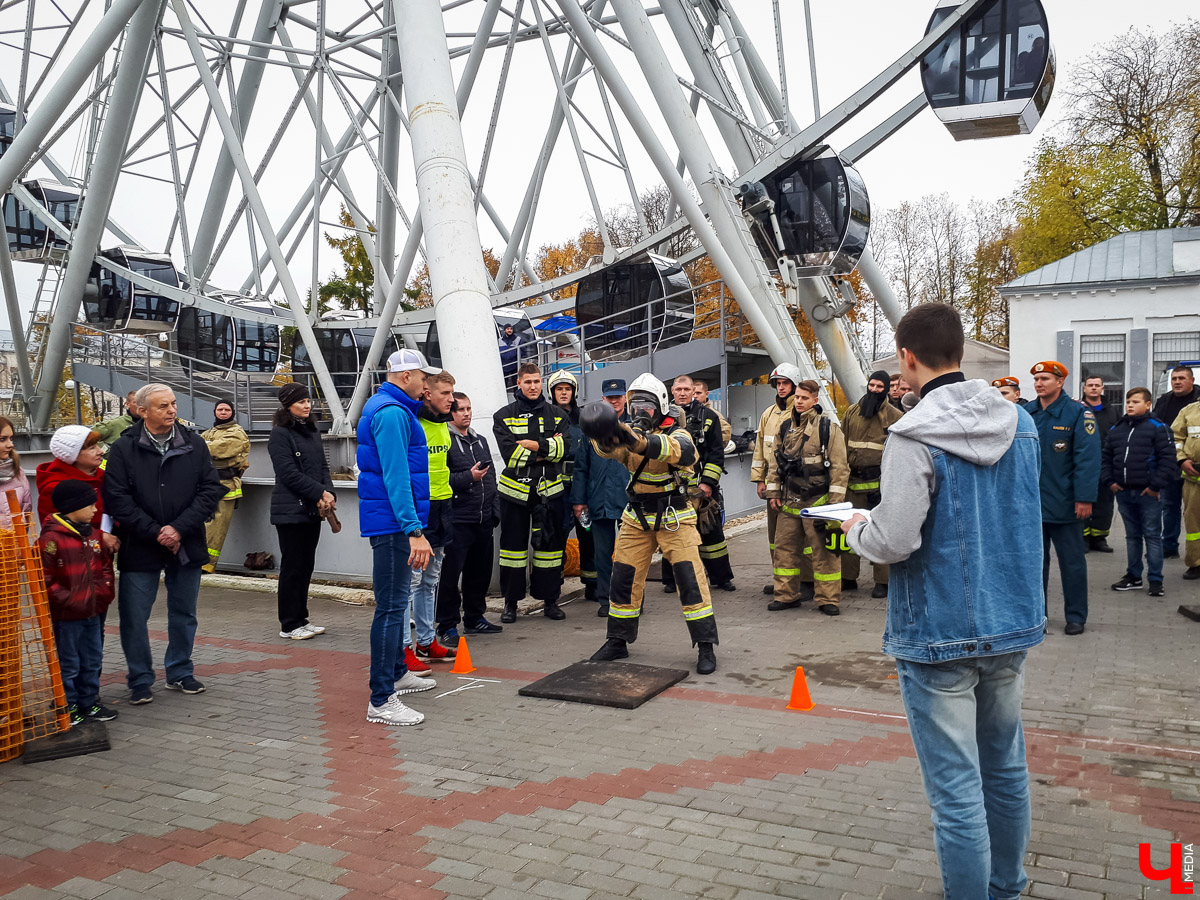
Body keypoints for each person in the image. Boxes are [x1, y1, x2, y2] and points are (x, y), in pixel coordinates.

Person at [842, 301, 1044, 900]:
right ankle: (1007, 887)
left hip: (937, 632)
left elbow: (896, 540)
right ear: (958, 350)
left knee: (956, 790)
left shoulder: (911, 435)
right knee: (1005, 768)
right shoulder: (1022, 424)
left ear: (907, 358)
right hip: (1010, 618)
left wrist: (856, 525)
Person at [584, 374, 718, 674]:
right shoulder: (628, 432)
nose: (641, 411)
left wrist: (638, 440)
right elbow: (611, 451)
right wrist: (603, 432)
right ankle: (617, 640)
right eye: (636, 405)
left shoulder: (680, 432)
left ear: (661, 405)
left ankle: (706, 645)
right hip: (637, 517)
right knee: (623, 579)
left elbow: (680, 453)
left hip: (675, 516)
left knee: (690, 581)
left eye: (647, 404)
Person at [102, 384, 223, 704]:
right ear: (142, 411)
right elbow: (116, 498)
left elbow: (210, 491)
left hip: (185, 542)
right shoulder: (123, 448)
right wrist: (156, 531)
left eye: (172, 404)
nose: (172, 410)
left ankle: (180, 671)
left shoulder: (194, 443)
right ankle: (140, 678)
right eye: (162, 406)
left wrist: (178, 529)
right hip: (140, 544)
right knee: (133, 615)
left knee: (184, 612)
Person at [358, 348, 442, 726]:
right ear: (405, 377)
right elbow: (396, 476)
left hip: (391, 523)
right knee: (391, 609)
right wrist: (413, 530)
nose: (427, 385)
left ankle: (396, 674)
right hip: (394, 526)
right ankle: (381, 699)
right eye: (423, 377)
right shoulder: (392, 414)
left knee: (393, 606)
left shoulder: (390, 408)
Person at [1025, 361, 1100, 635]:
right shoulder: (1026, 413)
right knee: (1034, 565)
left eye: (1045, 378)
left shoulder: (1078, 413)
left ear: (1060, 382)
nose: (1039, 384)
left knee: (1072, 564)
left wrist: (1084, 498)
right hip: (1032, 506)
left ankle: (1076, 616)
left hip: (1067, 504)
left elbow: (1088, 459)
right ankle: (1037, 616)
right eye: (1036, 379)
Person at [764, 379, 849, 616]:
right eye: (797, 397)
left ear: (815, 400)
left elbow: (840, 468)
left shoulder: (827, 428)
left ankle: (828, 599)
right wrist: (773, 492)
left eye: (804, 398)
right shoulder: (784, 427)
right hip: (789, 501)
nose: (799, 401)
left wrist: (835, 505)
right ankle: (786, 595)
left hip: (818, 502)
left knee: (824, 554)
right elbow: (775, 463)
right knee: (785, 551)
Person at [493, 362, 570, 623]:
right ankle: (511, 603)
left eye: (537, 381)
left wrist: (532, 445)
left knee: (550, 548)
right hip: (515, 493)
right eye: (528, 382)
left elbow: (564, 450)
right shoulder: (503, 415)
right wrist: (547, 448)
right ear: (519, 383)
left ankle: (550, 601)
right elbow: (511, 456)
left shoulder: (559, 414)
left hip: (550, 492)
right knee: (512, 551)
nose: (533, 386)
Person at [39, 480, 117, 725]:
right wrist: (70, 600)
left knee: (92, 659)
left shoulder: (93, 535)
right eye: (91, 505)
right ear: (73, 507)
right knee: (69, 663)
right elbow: (45, 579)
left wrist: (104, 592)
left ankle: (89, 702)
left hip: (93, 611)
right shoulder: (51, 539)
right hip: (67, 616)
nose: (95, 510)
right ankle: (67, 706)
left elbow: (105, 566)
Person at [268, 383, 335, 641]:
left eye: (308, 400)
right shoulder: (280, 434)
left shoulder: (311, 431)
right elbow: (288, 474)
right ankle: (289, 623)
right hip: (290, 511)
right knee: (292, 567)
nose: (307, 405)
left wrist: (328, 492)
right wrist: (319, 492)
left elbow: (322, 466)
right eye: (301, 401)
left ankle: (301, 618)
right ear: (288, 405)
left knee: (305, 565)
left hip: (311, 510)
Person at [437, 391, 503, 644]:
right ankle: (447, 625)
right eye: (460, 409)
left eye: (468, 408)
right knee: (450, 576)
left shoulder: (480, 440)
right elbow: (441, 479)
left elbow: (490, 477)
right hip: (458, 519)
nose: (466, 413)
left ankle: (475, 618)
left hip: (483, 520)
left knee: (479, 573)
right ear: (450, 413)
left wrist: (493, 511)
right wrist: (467, 478)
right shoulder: (445, 441)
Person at [1103, 387, 1176, 598]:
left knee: (1152, 536)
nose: (1130, 405)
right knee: (1132, 537)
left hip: (1148, 494)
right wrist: (1110, 482)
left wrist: (1155, 487)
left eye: (1135, 402)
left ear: (1148, 404)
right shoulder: (1117, 429)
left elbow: (1168, 460)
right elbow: (1106, 457)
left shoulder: (1158, 428)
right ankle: (1133, 577)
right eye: (1128, 402)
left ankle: (1155, 580)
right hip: (1124, 493)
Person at [664, 375, 734, 592]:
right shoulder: (664, 418)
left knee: (712, 534)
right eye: (679, 389)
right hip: (673, 489)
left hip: (701, 489)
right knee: (672, 533)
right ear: (672, 391)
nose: (683, 393)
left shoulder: (709, 417)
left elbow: (716, 454)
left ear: (693, 391)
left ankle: (721, 578)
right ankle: (671, 580)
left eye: (687, 389)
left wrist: (708, 484)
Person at [570, 378, 631, 619]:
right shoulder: (591, 430)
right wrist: (578, 501)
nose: (614, 401)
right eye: (610, 397)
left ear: (625, 398)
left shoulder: (635, 427)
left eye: (618, 396)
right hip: (599, 501)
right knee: (602, 555)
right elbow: (581, 468)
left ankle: (631, 598)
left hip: (630, 501)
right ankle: (605, 600)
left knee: (631, 555)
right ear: (603, 399)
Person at [841, 370, 903, 599]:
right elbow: (841, 444)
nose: (874, 390)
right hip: (853, 482)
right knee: (848, 529)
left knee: (879, 532)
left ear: (886, 389)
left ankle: (882, 581)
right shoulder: (852, 412)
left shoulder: (895, 416)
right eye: (872, 385)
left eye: (879, 387)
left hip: (879, 484)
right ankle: (848, 577)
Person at [409, 370, 458, 664]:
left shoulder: (443, 426)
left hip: (442, 507)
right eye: (445, 394)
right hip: (420, 511)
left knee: (430, 581)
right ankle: (405, 647)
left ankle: (427, 642)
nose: (451, 400)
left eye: (452, 394)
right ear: (428, 394)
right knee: (411, 582)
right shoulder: (413, 423)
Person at [752, 364, 804, 599]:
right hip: (773, 485)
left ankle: (804, 580)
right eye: (778, 384)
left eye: (785, 384)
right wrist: (759, 480)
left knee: (798, 535)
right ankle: (781, 579)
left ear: (793, 385)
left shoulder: (803, 411)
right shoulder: (768, 414)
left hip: (797, 485)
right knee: (774, 537)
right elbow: (760, 450)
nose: (781, 388)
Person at [548, 370, 597, 602]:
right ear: (552, 393)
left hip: (582, 487)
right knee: (556, 537)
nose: (564, 392)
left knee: (588, 534)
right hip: (557, 487)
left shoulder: (584, 419)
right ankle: (553, 587)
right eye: (559, 389)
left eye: (567, 388)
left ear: (574, 392)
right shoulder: (547, 417)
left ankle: (592, 585)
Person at [37, 426, 117, 552]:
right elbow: (55, 530)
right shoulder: (55, 488)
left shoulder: (101, 478)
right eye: (92, 448)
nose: (100, 451)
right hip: (73, 560)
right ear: (73, 456)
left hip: (99, 556)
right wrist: (100, 537)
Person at [1153, 366, 1200, 559]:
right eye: (1174, 379)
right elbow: (1155, 427)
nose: (1177, 382)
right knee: (1169, 505)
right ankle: (1169, 545)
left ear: (1192, 380)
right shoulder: (1164, 401)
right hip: (1171, 463)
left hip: (1194, 469)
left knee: (1193, 512)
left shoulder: (1196, 403)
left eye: (1181, 378)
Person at [201, 400, 250, 573]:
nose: (223, 412)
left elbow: (220, 449)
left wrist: (204, 447)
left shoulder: (237, 432)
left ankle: (207, 564)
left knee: (216, 526)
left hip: (226, 485)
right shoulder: (211, 432)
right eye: (220, 409)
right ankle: (196, 559)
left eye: (227, 409)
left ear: (232, 412)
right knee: (202, 523)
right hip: (207, 484)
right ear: (215, 412)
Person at [1080, 375, 1121, 553]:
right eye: (1090, 385)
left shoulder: (1113, 412)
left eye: (1097, 385)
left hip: (1105, 463)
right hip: (1083, 463)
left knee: (1104, 503)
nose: (1094, 388)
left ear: (1102, 388)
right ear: (1084, 389)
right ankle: (1083, 538)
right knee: (1082, 500)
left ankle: (1099, 538)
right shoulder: (1077, 409)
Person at [1170, 393, 1200, 580]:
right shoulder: (1189, 411)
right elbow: (1174, 438)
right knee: (1194, 524)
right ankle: (1196, 563)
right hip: (1193, 480)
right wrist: (1181, 460)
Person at [0, 415, 31, 527]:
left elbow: (26, 509)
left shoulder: (18, 472)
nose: (10, 445)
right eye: (2, 439)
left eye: (11, 439)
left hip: (14, 543)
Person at [693, 379, 732, 444]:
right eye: (693, 393)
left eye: (699, 393)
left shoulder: (714, 414)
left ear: (706, 394)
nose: (695, 396)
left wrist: (709, 447)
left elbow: (725, 434)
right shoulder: (685, 411)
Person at [498, 323, 522, 388]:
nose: (510, 330)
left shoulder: (518, 339)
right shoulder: (500, 340)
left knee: (515, 383)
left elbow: (521, 351)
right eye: (508, 329)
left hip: (514, 365)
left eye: (511, 329)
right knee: (504, 383)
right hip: (504, 366)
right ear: (504, 330)